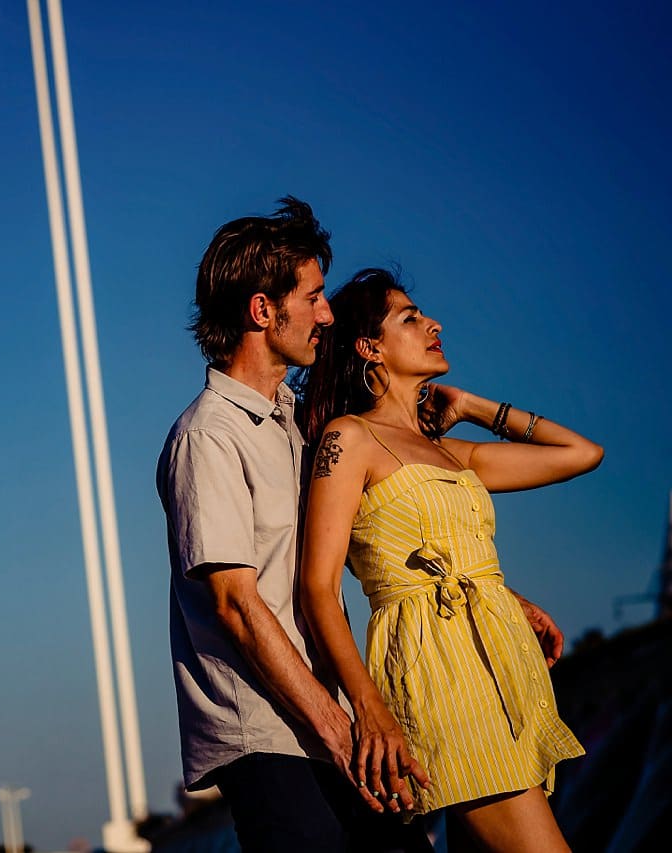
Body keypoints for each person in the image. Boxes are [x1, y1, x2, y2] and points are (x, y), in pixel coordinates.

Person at [157, 199, 431, 851]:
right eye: (312, 297)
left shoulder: (294, 425)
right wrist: (339, 726)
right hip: (269, 736)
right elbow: (236, 604)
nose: (326, 314)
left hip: (325, 723)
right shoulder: (207, 436)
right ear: (262, 310)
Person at [297, 268, 602, 851]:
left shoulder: (450, 453)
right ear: (369, 348)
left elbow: (582, 453)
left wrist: (471, 406)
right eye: (410, 318)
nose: (433, 324)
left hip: (504, 666)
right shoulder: (349, 438)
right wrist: (369, 709)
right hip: (438, 672)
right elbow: (317, 587)